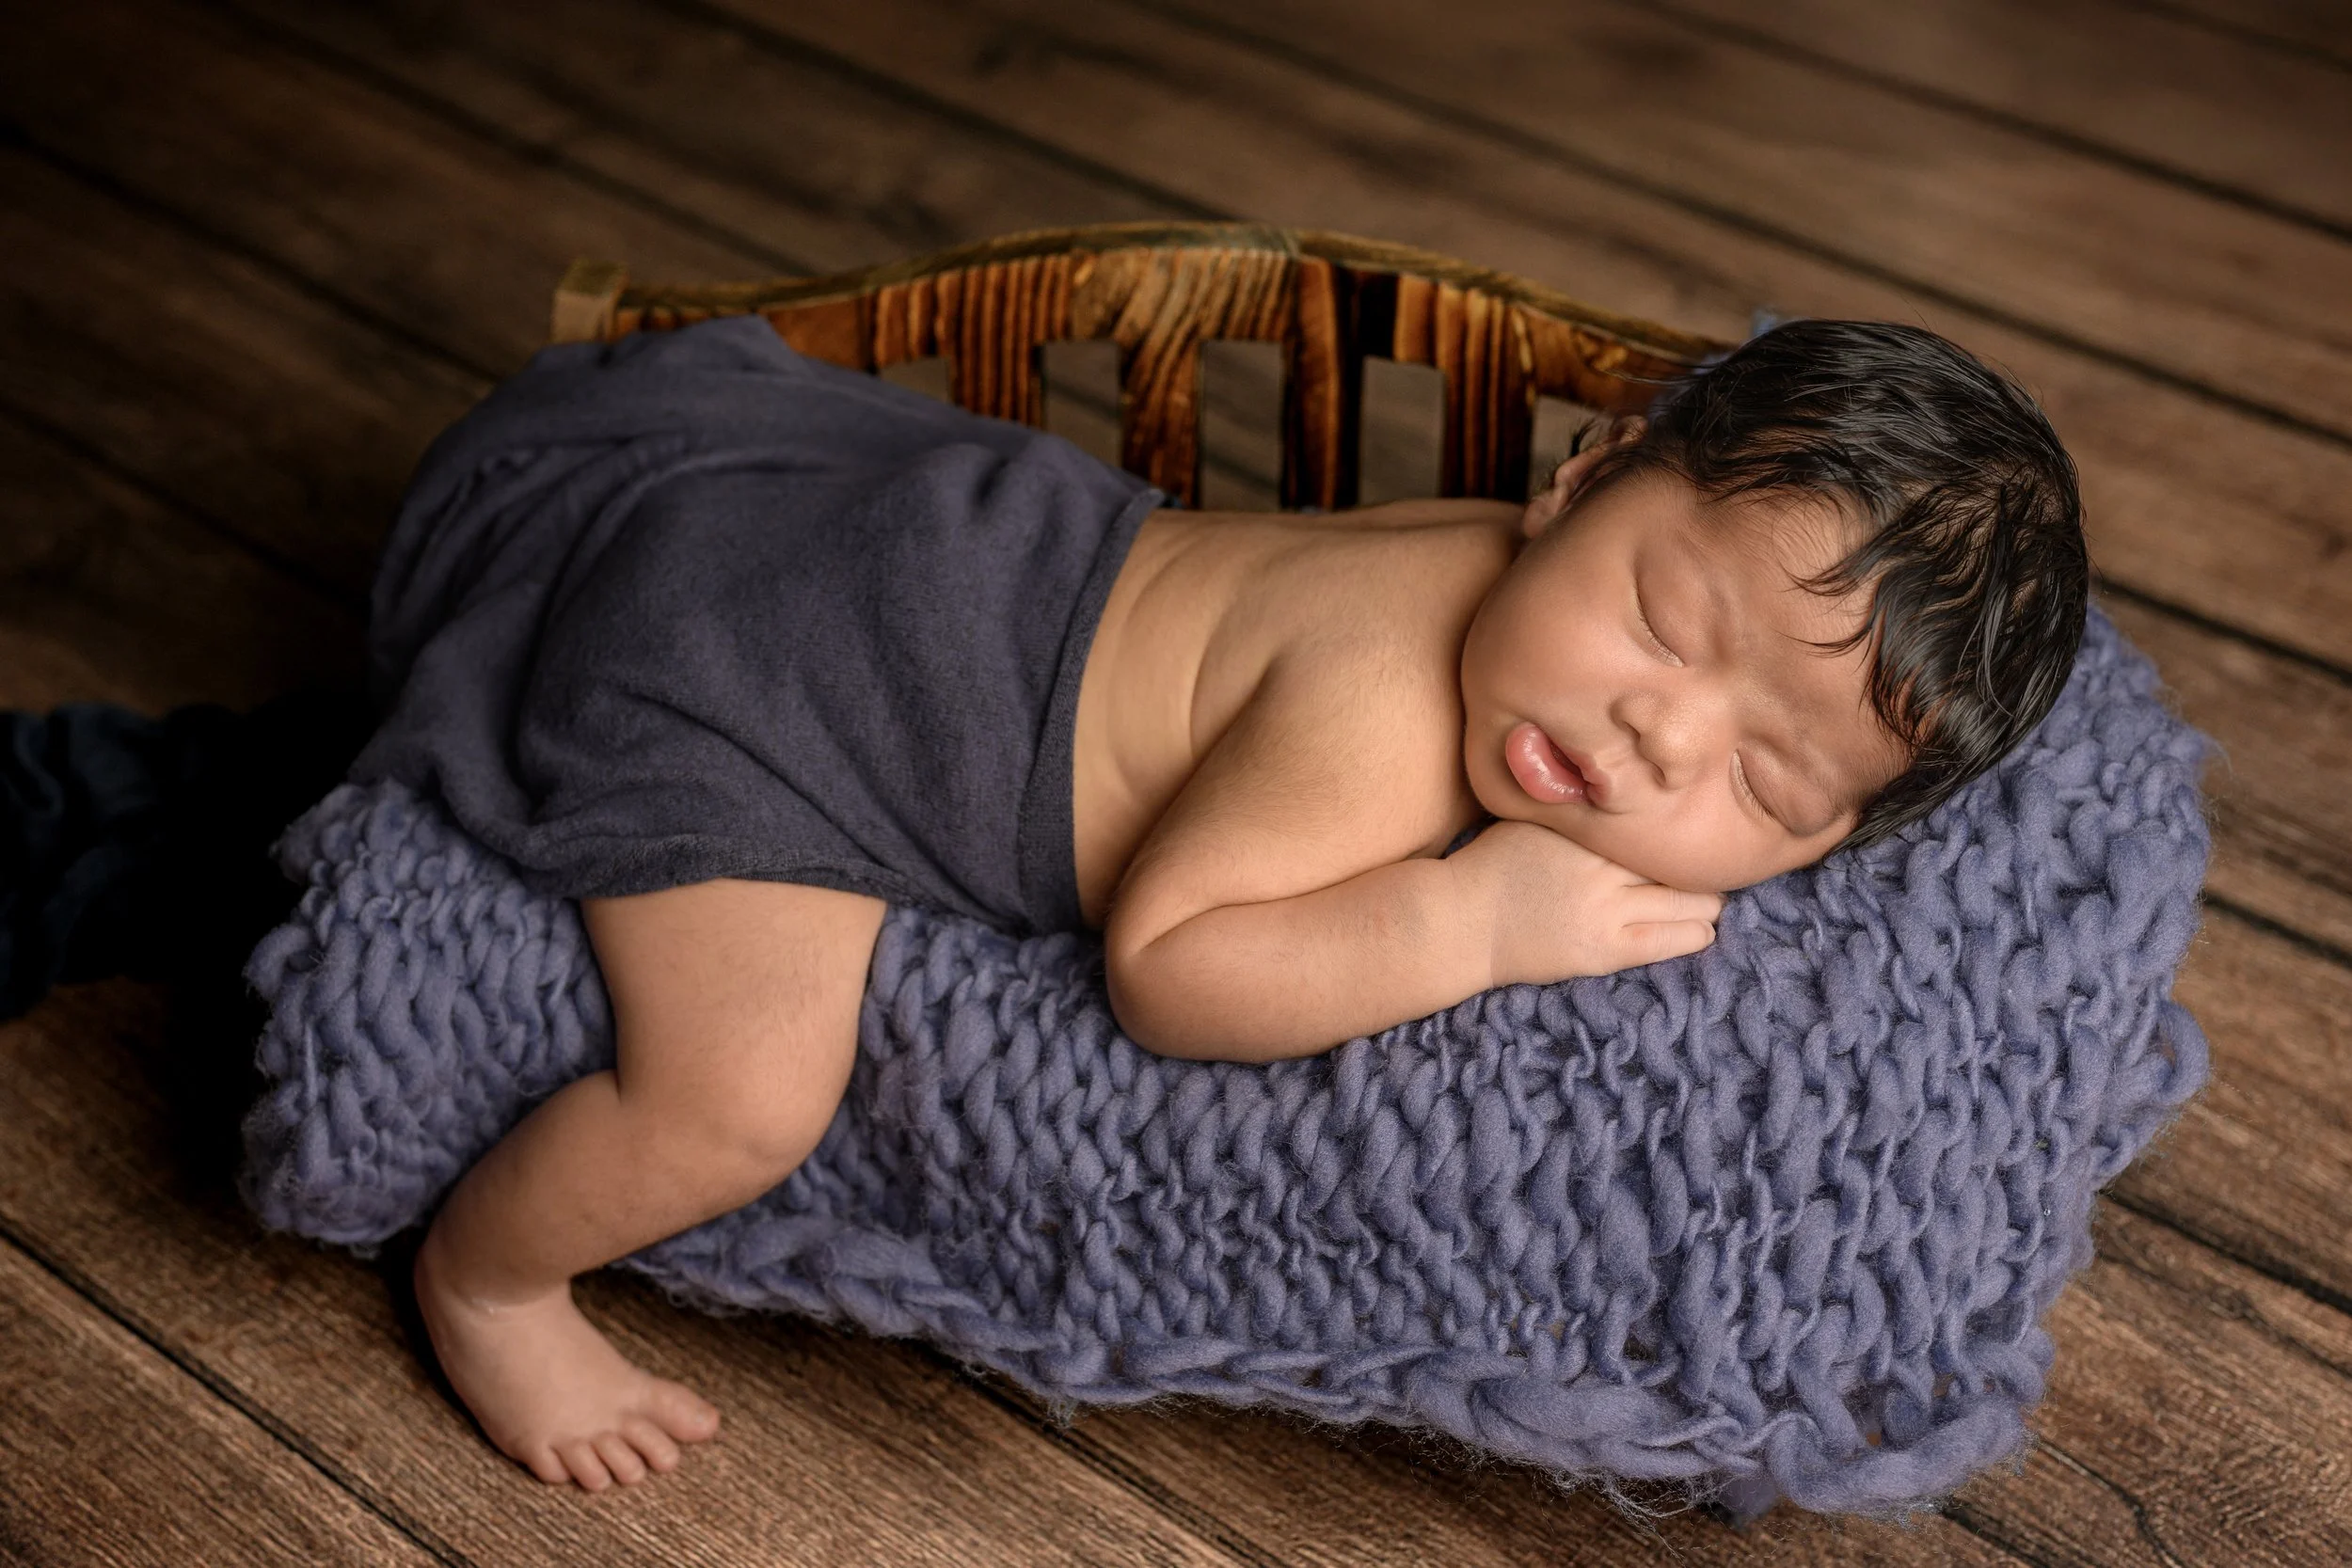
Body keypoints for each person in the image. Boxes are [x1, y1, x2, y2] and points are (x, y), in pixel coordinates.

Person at [6, 312, 2087, 1491]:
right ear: (1568, 480)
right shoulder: (1379, 704)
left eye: (1765, 779)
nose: (1650, 740)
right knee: (742, 1094)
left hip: (891, 546)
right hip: (756, 699)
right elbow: (1173, 966)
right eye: (1658, 617)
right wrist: (1459, 929)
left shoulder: (1498, 576)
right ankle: (487, 1280)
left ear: (1834, 844)